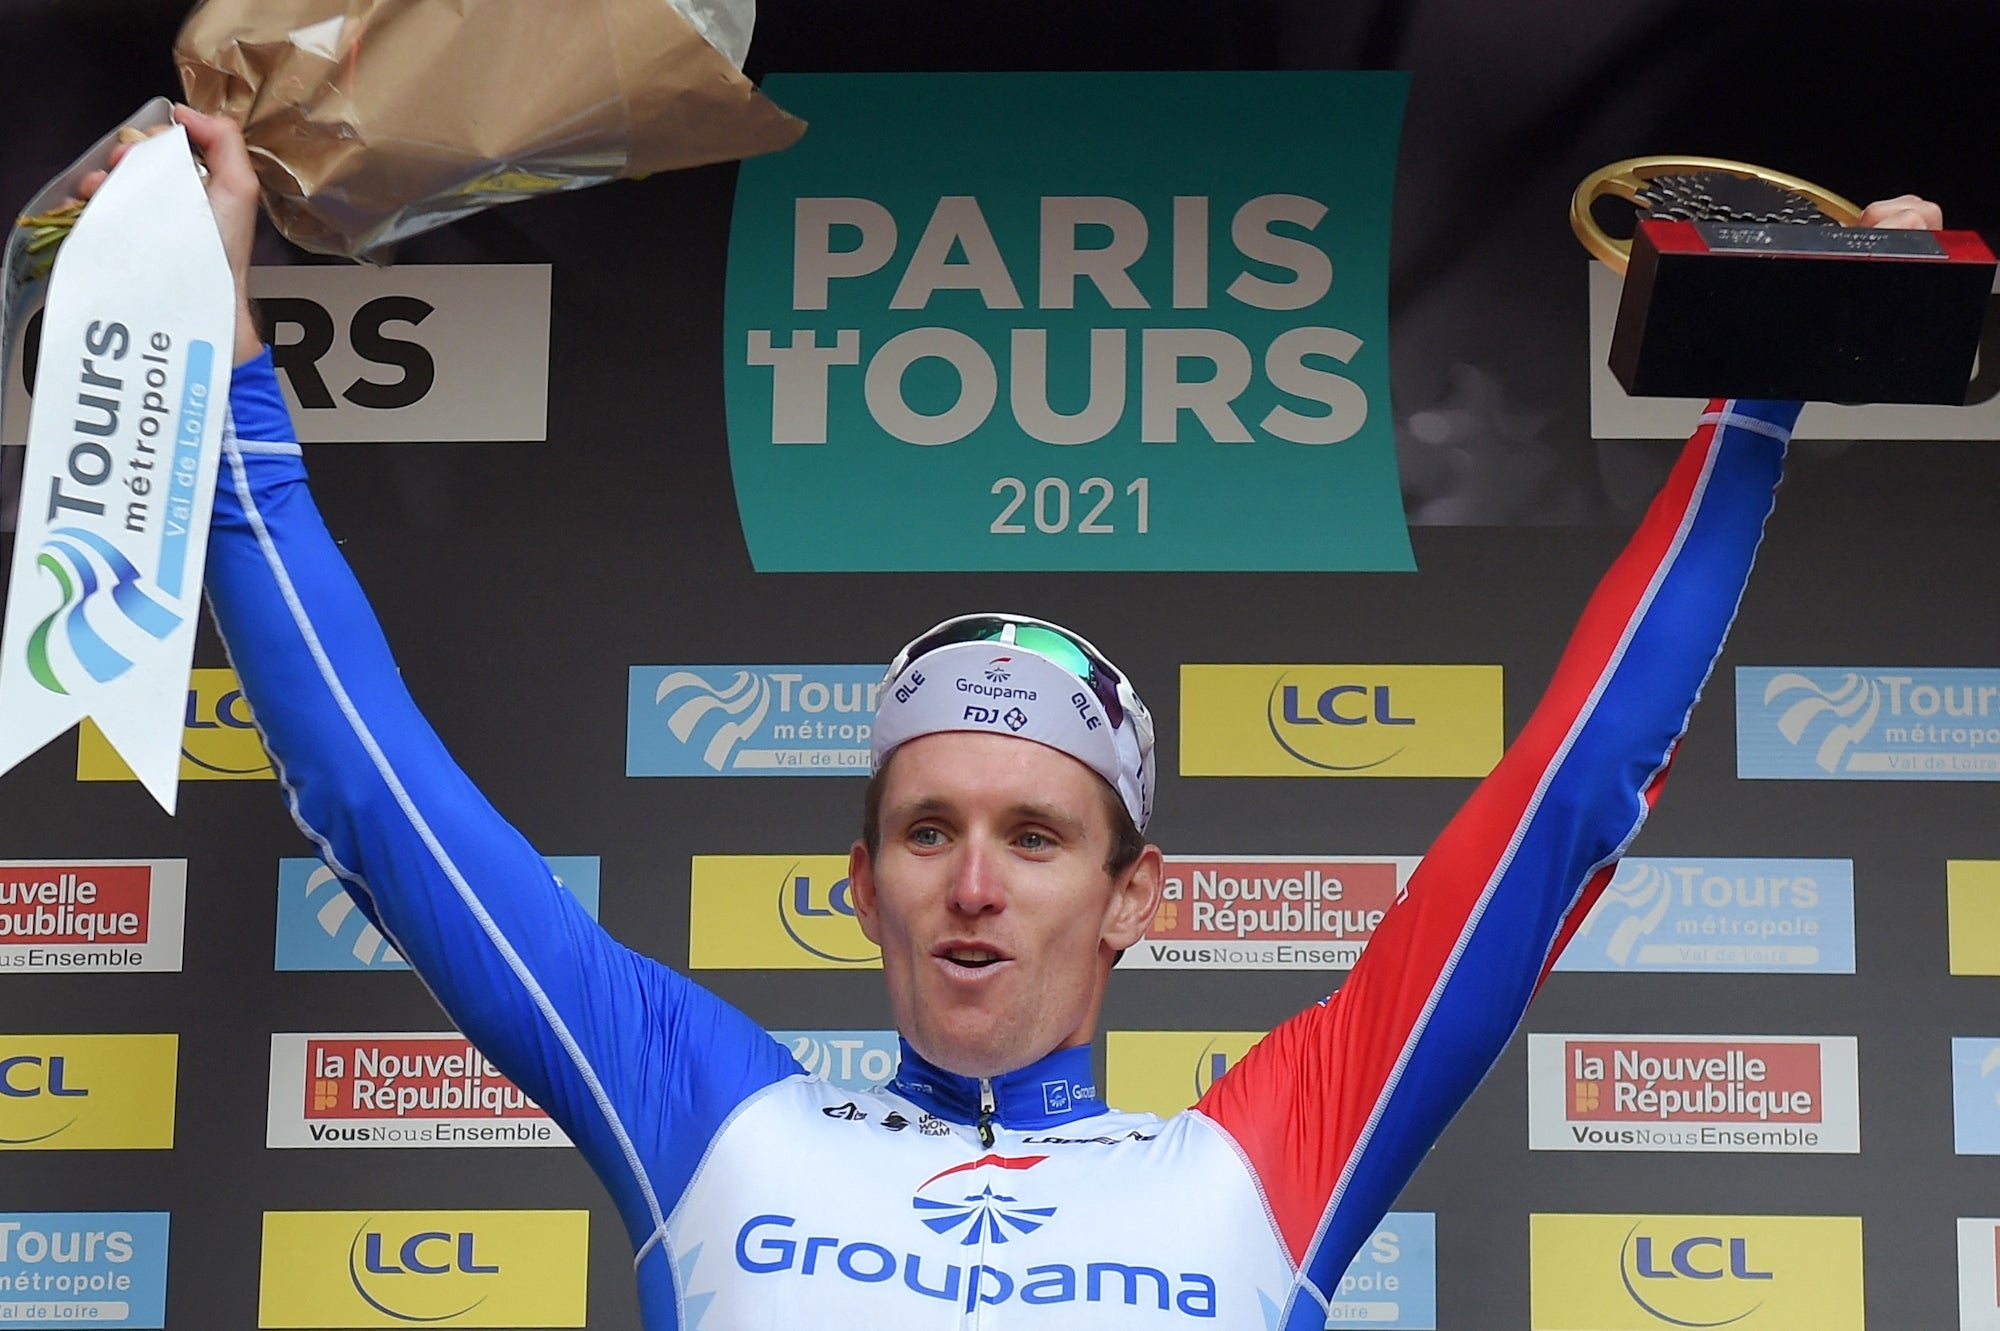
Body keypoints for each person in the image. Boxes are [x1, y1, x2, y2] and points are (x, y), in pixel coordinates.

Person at [93, 108, 1938, 1328]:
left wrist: (1759, 401)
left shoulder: (1262, 1155)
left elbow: (1563, 807)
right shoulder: (714, 1116)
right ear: (863, 882)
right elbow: (373, 799)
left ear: (1134, 894)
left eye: (1037, 836)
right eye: (929, 828)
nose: (976, 880)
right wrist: (225, 367)